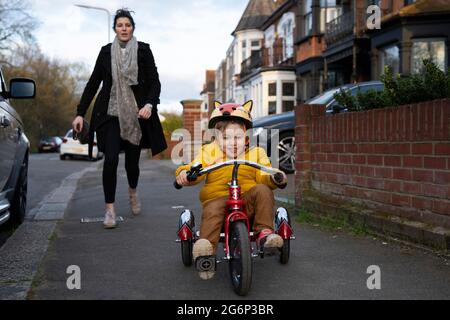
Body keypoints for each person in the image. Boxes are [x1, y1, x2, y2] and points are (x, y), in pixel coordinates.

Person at [72, 9, 167, 229]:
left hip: (136, 115)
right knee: (111, 159)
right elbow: (93, 83)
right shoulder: (106, 52)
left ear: (132, 28)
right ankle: (110, 210)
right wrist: (80, 112)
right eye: (119, 25)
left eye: (127, 25)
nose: (123, 28)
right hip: (110, 113)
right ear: (114, 28)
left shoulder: (143, 50)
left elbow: (155, 82)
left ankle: (132, 192)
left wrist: (149, 104)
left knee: (132, 164)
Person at [175, 100, 288, 280]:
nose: (232, 142)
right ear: (216, 138)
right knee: (212, 210)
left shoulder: (256, 153)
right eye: (226, 137)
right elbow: (194, 167)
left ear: (246, 137)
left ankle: (265, 234)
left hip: (247, 201)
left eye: (237, 137)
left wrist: (275, 177)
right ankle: (206, 252)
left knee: (263, 190)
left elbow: (265, 172)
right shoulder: (209, 152)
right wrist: (185, 174)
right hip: (218, 199)